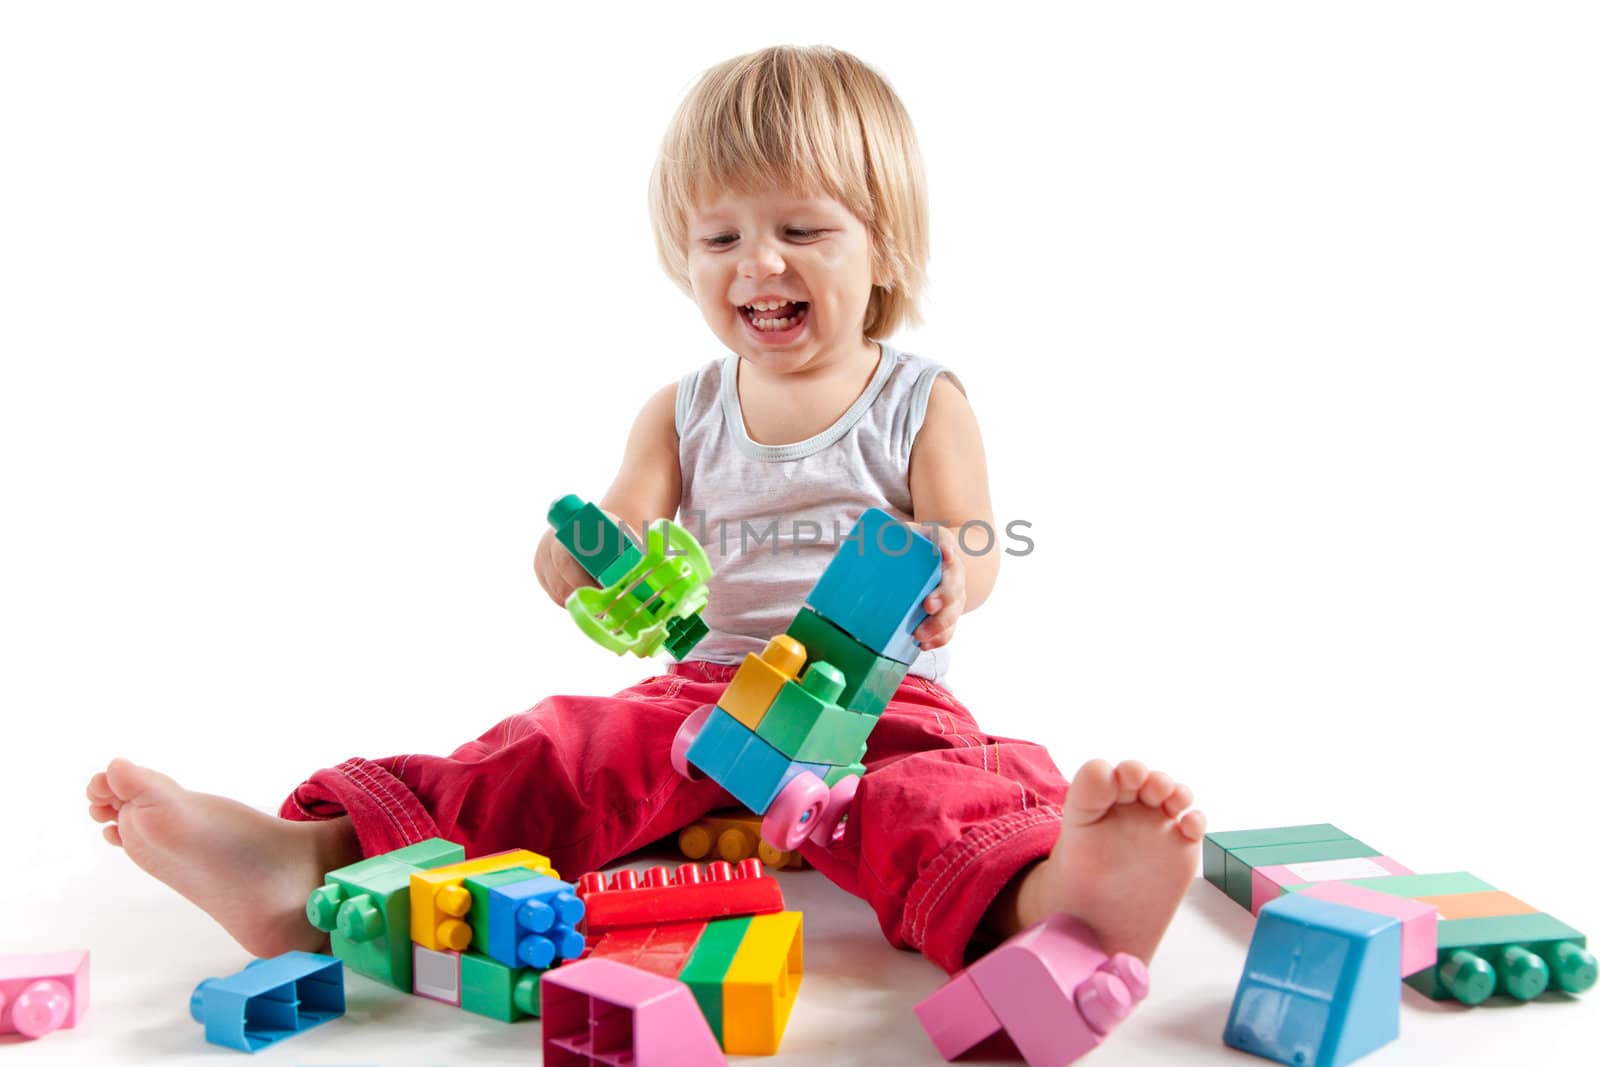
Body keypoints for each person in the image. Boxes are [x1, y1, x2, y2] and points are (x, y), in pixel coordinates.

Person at [86, 44, 1204, 980]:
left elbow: (972, 529)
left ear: (883, 247)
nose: (758, 262)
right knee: (556, 751)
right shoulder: (683, 409)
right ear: (686, 258)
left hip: (875, 704)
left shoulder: (921, 397)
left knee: (936, 792)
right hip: (705, 692)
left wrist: (954, 575)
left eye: (803, 231)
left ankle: (1051, 898)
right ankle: (313, 859)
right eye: (721, 238)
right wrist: (581, 562)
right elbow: (606, 530)